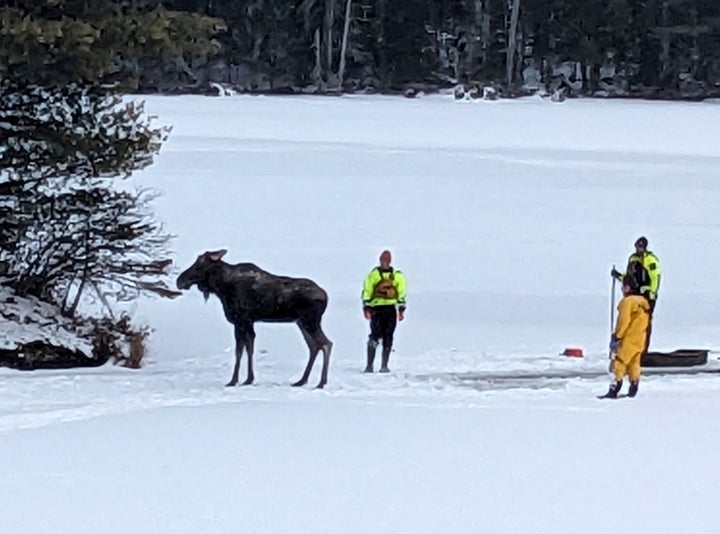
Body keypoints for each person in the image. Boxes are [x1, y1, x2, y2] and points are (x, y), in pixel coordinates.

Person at [600, 275, 651, 399]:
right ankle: (634, 385)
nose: (621, 289)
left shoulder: (627, 302)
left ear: (627, 287)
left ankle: (614, 387)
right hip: (639, 339)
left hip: (628, 339)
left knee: (619, 362)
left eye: (623, 286)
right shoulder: (643, 303)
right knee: (634, 362)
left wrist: (617, 336)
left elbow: (624, 321)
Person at [611, 236, 661, 350]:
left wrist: (651, 292)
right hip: (634, 295)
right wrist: (618, 276)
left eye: (641, 247)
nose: (639, 249)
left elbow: (655, 278)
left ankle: (643, 350)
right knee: (630, 322)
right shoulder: (633, 259)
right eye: (637, 247)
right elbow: (629, 277)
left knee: (643, 323)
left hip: (646, 296)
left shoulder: (650, 260)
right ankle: (629, 348)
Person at [361, 249, 407, 373]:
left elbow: (367, 291)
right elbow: (401, 292)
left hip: (379, 309)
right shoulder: (396, 275)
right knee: (385, 336)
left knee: (377, 336)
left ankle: (374, 366)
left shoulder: (374, 274)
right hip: (386, 309)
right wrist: (401, 308)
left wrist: (366, 306)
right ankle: (380, 366)